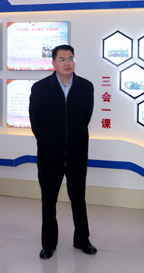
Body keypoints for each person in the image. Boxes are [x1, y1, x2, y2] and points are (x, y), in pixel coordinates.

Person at [29, 44, 96, 260]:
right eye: (62, 59)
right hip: (49, 155)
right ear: (53, 63)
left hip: (77, 153)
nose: (67, 63)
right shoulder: (40, 88)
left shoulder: (86, 87)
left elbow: (85, 118)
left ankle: (82, 240)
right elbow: (35, 122)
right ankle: (49, 243)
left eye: (70, 59)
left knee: (79, 198)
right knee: (48, 200)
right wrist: (50, 141)